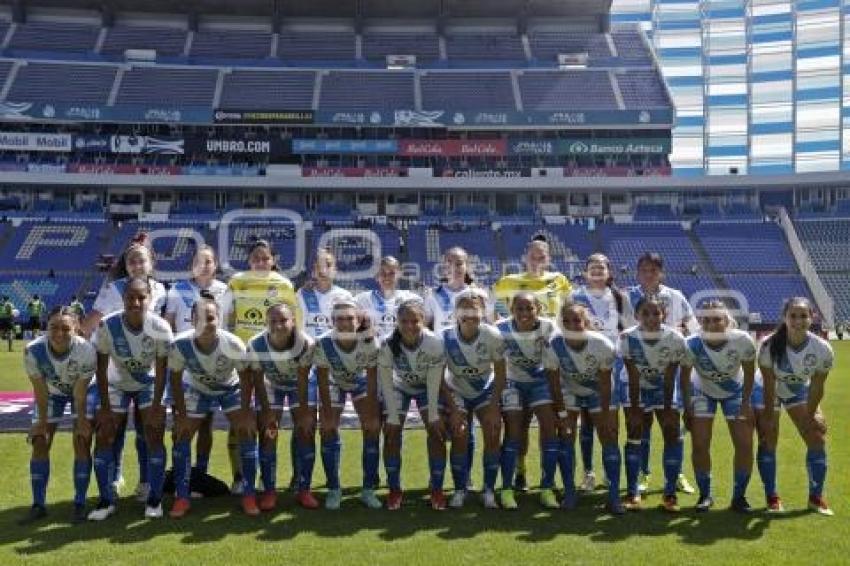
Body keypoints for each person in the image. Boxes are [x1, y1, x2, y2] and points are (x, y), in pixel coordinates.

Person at [82, 236, 167, 502]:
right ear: (126, 265)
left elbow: (163, 325)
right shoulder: (113, 288)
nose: (137, 264)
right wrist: (78, 337)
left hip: (147, 369)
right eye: (132, 260)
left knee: (146, 428)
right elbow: (95, 320)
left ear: (151, 262)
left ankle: (145, 481)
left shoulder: (162, 290)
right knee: (113, 428)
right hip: (116, 372)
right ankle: (116, 476)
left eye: (142, 259)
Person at [90, 277, 173, 521]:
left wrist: (157, 406)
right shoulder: (107, 325)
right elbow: (101, 368)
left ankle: (155, 499)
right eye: (130, 297)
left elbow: (162, 370)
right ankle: (106, 501)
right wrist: (105, 407)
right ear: (123, 299)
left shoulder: (160, 327)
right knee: (104, 434)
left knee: (154, 432)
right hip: (116, 382)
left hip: (147, 383)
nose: (135, 302)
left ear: (150, 299)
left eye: (141, 297)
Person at [169, 291, 257, 518]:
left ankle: (248, 494)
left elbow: (246, 378)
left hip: (229, 388)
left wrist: (246, 413)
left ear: (219, 319)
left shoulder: (233, 344)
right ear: (192, 320)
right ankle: (182, 497)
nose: (205, 323)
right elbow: (176, 380)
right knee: (181, 434)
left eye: (210, 318)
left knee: (247, 432)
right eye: (199, 318)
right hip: (197, 389)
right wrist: (179, 414)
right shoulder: (180, 345)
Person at [492, 237, 571, 492]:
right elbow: (495, 315)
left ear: (548, 257)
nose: (538, 257)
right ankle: (520, 471)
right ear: (525, 255)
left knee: (549, 424)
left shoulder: (559, 279)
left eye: (543, 254)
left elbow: (568, 314)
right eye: (534, 253)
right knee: (518, 425)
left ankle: (548, 480)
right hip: (516, 361)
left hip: (546, 359)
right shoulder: (508, 282)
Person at [226, 239, 297, 495]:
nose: (260, 262)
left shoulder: (284, 285)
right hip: (243, 360)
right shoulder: (237, 282)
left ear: (273, 260)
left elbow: (292, 324)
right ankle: (239, 476)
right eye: (255, 258)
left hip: (272, 361)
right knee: (241, 419)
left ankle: (271, 480)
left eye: (265, 258)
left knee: (269, 421)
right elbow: (227, 320)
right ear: (249, 261)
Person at [752, 297, 835, 516]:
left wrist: (811, 415)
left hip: (798, 389)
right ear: (785, 318)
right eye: (793, 316)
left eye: (803, 316)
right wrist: (769, 416)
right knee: (768, 438)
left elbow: (817, 386)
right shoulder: (769, 344)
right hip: (767, 390)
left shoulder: (822, 349)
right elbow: (769, 383)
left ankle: (815, 498)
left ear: (812, 318)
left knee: (816, 436)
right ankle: (772, 497)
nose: (798, 320)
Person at [624, 252, 696, 496]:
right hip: (638, 364)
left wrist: (677, 338)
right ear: (637, 272)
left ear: (661, 273)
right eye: (644, 269)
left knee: (672, 426)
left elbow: (692, 326)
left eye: (653, 270)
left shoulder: (675, 296)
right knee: (641, 425)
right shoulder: (627, 296)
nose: (648, 274)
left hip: (669, 365)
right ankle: (643, 473)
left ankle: (677, 474)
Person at [545, 301, 624, 514]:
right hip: (569, 392)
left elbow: (606, 382)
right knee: (566, 438)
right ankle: (570, 492)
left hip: (599, 393)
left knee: (609, 435)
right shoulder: (554, 345)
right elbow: (553, 383)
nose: (572, 324)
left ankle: (614, 496)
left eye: (577, 320)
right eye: (567, 321)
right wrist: (561, 414)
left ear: (586, 322)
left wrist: (607, 415)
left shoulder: (602, 344)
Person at [20, 306, 97, 524]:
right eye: (54, 327)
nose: (59, 333)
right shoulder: (33, 350)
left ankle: (80, 503)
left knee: (82, 441)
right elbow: (40, 389)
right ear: (46, 327)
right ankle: (38, 505)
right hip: (51, 394)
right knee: (40, 441)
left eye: (66, 328)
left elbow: (80, 392)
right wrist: (41, 423)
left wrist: (82, 421)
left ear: (76, 329)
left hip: (81, 393)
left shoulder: (86, 350)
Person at [425, 246, 492, 492]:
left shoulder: (480, 294)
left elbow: (489, 328)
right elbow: (427, 329)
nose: (455, 266)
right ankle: (438, 476)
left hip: (474, 366)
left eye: (460, 262)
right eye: (450, 261)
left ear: (467, 266)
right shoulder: (433, 294)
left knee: (468, 426)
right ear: (444, 266)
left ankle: (465, 478)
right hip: (445, 367)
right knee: (445, 424)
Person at [679, 300, 756, 513]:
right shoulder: (691, 344)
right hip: (702, 392)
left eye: (717, 319)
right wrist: (687, 408)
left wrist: (746, 403)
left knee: (744, 444)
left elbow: (750, 374)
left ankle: (739, 497)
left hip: (736, 392)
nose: (712, 324)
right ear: (700, 322)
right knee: (700, 444)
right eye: (706, 320)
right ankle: (705, 496)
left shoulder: (742, 340)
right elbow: (684, 379)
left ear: (727, 321)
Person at [164, 246, 230, 485]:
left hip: (212, 365)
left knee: (206, 423)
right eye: (199, 261)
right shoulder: (177, 290)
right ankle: (179, 470)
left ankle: (200, 471)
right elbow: (168, 325)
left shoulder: (225, 291)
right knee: (181, 420)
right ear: (192, 265)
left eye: (209, 261)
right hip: (184, 364)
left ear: (216, 265)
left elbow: (227, 326)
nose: (204, 265)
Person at [379, 299, 451, 510]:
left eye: (415, 321)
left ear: (424, 321)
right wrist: (392, 415)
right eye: (404, 321)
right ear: (397, 322)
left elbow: (434, 381)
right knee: (391, 432)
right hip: (399, 387)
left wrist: (434, 416)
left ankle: (436, 489)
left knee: (437, 431)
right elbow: (385, 379)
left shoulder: (434, 342)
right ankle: (394, 490)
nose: (409, 326)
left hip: (426, 387)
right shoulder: (387, 343)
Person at [569, 254, 631, 493]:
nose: (596, 271)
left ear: (609, 272)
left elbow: (628, 328)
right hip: (583, 361)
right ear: (585, 272)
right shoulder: (574, 296)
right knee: (585, 422)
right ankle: (588, 473)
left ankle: (609, 471)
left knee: (609, 421)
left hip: (613, 364)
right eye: (592, 267)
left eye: (601, 267)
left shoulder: (619, 296)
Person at [620, 296, 687, 512]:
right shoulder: (627, 338)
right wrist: (636, 408)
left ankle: (670, 494)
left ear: (664, 315)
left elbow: (670, 377)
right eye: (645, 313)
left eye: (656, 313)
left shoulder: (675, 338)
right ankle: (632, 492)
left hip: (662, 387)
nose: (651, 318)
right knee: (635, 432)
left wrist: (667, 409)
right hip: (634, 386)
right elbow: (632, 376)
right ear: (637, 315)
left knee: (671, 431)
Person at [440, 289, 506, 509]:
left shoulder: (493, 335)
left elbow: (501, 373)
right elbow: (438, 378)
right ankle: (460, 489)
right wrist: (454, 409)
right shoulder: (445, 337)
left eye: (475, 309)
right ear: (457, 313)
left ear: (482, 311)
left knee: (493, 431)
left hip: (485, 390)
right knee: (459, 433)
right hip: (457, 390)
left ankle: (488, 490)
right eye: (465, 308)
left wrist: (495, 407)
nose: (470, 313)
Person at [313, 300, 382, 510]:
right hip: (334, 383)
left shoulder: (370, 342)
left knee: (372, 428)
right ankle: (334, 489)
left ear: (358, 319)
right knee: (327, 429)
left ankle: (368, 489)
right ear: (332, 322)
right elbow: (323, 381)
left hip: (361, 382)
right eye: (340, 319)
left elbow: (372, 379)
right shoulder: (323, 342)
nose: (345, 323)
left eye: (350, 318)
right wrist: (327, 415)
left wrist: (371, 413)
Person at [249, 303, 317, 511]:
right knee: (269, 433)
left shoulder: (306, 343)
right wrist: (268, 412)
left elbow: (304, 378)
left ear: (293, 321)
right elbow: (258, 381)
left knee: (305, 431)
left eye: (284, 320)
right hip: (271, 386)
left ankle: (304, 489)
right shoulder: (256, 344)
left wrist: (304, 412)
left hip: (300, 386)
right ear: (266, 323)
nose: (279, 326)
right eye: (273, 321)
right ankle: (270, 491)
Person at [497, 292, 559, 510]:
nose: (524, 313)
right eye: (519, 309)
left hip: (540, 381)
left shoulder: (549, 327)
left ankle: (547, 487)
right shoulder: (500, 329)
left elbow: (555, 361)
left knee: (549, 427)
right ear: (512, 310)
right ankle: (510, 484)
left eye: (529, 308)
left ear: (538, 310)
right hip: (513, 382)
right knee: (515, 430)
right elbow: (496, 365)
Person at [355, 256, 419, 340]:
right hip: (373, 349)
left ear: (399, 274)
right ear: (377, 276)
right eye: (383, 273)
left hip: (401, 348)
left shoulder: (410, 299)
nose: (387, 277)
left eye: (392, 273)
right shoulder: (362, 299)